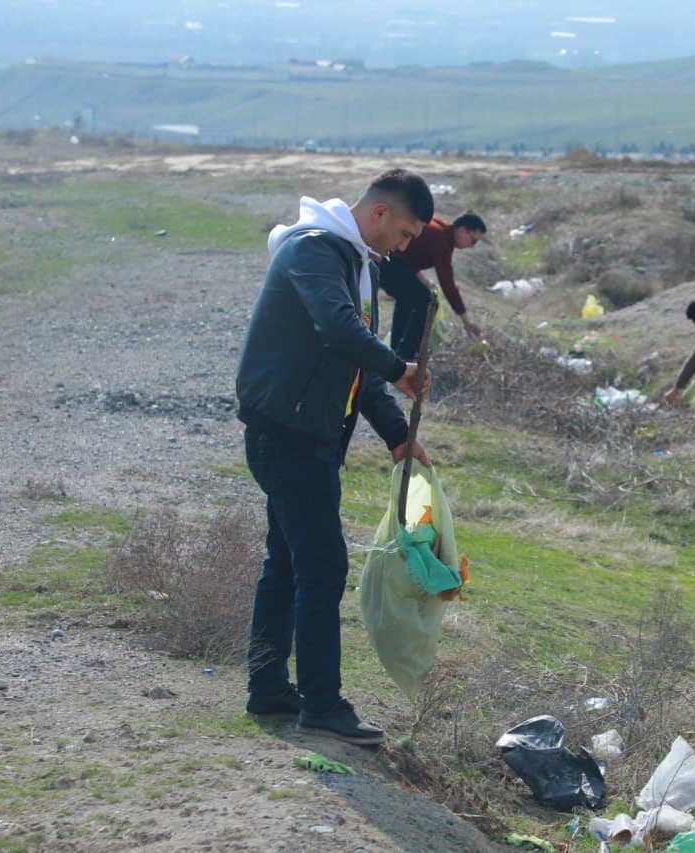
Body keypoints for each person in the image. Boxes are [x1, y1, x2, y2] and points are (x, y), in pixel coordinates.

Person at [235, 169, 435, 745]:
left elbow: (355, 363)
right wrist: (401, 370)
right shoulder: (316, 251)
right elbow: (339, 329)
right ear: (378, 214)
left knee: (289, 562)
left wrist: (398, 434)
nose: (403, 248)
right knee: (322, 566)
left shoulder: (355, 263)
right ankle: (322, 702)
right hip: (288, 433)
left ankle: (268, 686)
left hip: (309, 434)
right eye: (403, 233)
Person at [378, 211, 487, 360]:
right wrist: (467, 322)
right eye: (473, 240)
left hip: (390, 261)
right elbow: (448, 285)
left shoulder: (441, 231)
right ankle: (406, 354)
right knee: (425, 300)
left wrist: (426, 282)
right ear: (462, 230)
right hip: (386, 261)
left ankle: (395, 350)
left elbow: (410, 258)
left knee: (409, 299)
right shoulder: (441, 239)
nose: (472, 246)